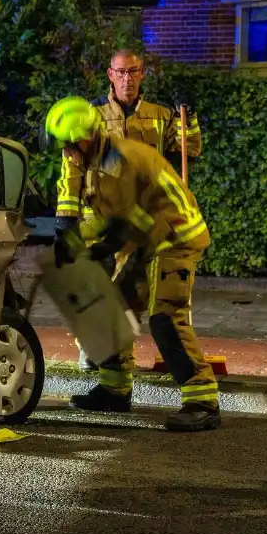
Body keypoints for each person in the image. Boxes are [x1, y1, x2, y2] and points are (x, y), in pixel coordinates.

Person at [46, 96, 219, 432]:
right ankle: (114, 388)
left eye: (68, 145)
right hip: (146, 235)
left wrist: (99, 248)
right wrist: (71, 238)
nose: (65, 152)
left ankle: (203, 401)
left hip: (175, 237)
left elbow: (127, 221)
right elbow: (111, 217)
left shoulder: (121, 161)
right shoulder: (100, 158)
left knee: (165, 317)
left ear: (87, 136)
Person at [56, 49, 202, 371]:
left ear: (142, 74)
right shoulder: (91, 115)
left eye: (133, 72)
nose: (127, 79)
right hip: (102, 217)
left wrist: (188, 120)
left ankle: (119, 362)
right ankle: (93, 350)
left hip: (144, 221)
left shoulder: (162, 115)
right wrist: (66, 217)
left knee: (133, 294)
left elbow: (186, 153)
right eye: (121, 73)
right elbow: (72, 167)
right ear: (110, 75)